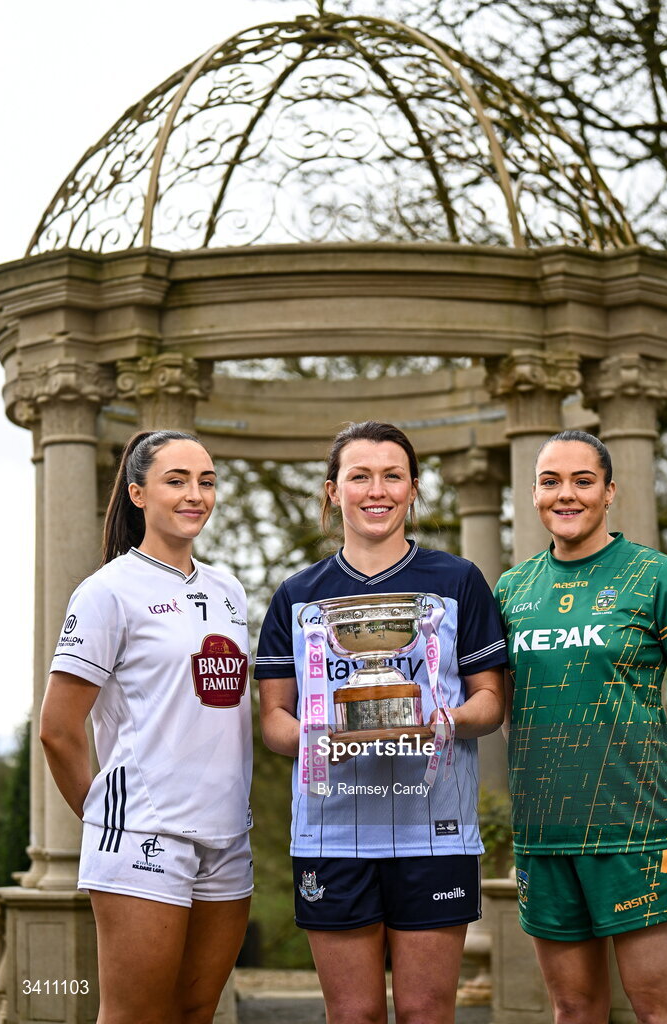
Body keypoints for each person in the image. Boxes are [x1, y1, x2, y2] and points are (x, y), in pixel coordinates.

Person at [255, 420, 507, 1024]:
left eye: (393, 476)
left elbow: (490, 703)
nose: (377, 490)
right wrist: (323, 736)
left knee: (426, 1013)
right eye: (360, 476)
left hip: (436, 830)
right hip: (330, 833)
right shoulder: (295, 595)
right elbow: (274, 721)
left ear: (414, 488)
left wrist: (440, 722)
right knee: (353, 1015)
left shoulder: (458, 581)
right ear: (333, 490)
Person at [495, 429, 667, 1024]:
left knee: (661, 1011)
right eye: (550, 482)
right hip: (546, 837)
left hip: (639, 835)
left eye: (583, 481)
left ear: (609, 492)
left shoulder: (657, 576)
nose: (566, 494)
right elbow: (506, 711)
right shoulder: (512, 589)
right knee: (573, 1009)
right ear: (533, 494)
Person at [40, 430, 253, 1024]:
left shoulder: (230, 591)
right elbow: (57, 728)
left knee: (196, 1012)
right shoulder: (107, 591)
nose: (195, 495)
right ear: (138, 494)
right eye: (176, 481)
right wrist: (109, 817)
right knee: (135, 1016)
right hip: (143, 835)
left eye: (206, 482)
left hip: (228, 836)